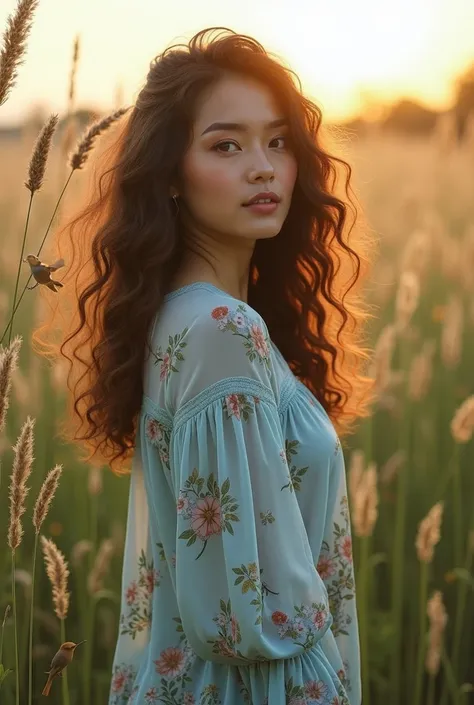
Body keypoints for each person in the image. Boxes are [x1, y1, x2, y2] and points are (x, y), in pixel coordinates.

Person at [44, 26, 375, 705]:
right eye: (226, 144)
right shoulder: (221, 328)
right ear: (170, 174)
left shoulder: (183, 318)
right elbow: (253, 622)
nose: (263, 166)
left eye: (277, 141)